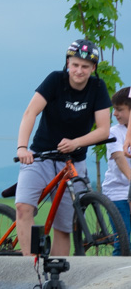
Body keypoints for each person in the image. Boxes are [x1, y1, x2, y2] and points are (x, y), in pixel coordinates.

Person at [15, 38, 111, 256]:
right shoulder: (55, 80)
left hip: (73, 162)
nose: (79, 70)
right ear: (68, 63)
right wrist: (22, 148)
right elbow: (30, 113)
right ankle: (31, 268)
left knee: (64, 227)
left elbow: (103, 129)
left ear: (93, 68)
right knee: (23, 208)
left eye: (85, 66)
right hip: (40, 156)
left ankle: (57, 284)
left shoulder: (98, 87)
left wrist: (76, 142)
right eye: (75, 64)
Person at [103, 87, 131, 255]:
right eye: (114, 109)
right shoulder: (114, 132)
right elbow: (119, 157)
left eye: (119, 109)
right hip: (117, 193)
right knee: (123, 242)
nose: (115, 113)